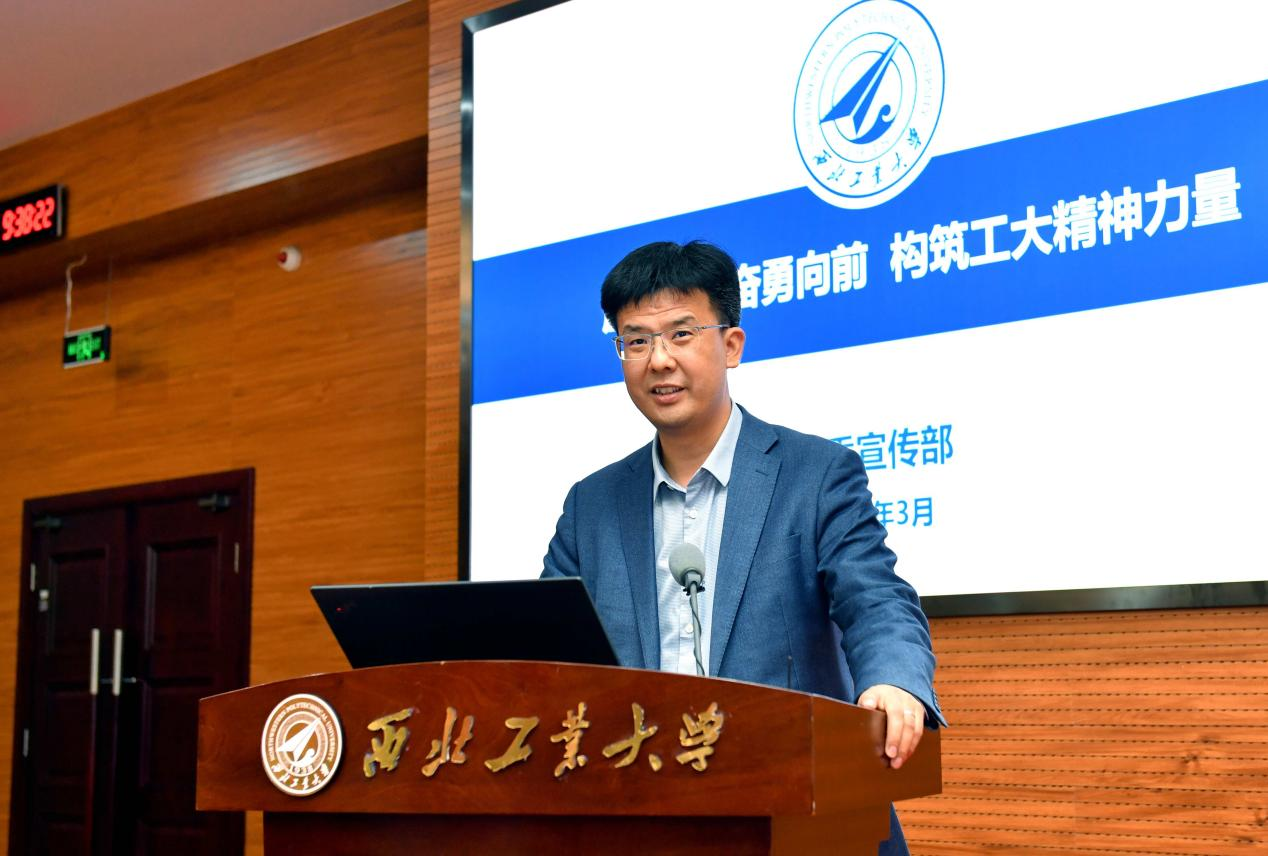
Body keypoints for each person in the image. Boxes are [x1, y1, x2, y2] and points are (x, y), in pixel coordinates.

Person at [541, 240, 944, 855]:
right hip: (640, 819)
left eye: (681, 334)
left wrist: (894, 681)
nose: (658, 360)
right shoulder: (590, 505)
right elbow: (546, 649)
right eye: (636, 340)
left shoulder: (816, 475)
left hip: (795, 811)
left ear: (731, 345)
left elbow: (877, 599)